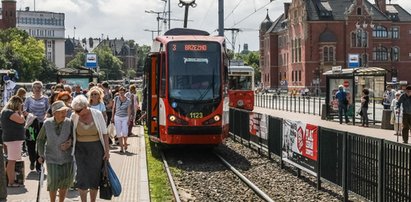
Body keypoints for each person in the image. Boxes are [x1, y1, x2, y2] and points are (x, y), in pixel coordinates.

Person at [71, 95, 110, 202]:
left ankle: (93, 200)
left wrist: (107, 151)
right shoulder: (74, 116)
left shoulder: (97, 114)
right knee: (81, 177)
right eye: (75, 110)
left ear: (85, 106)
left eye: (79, 110)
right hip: (80, 149)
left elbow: (105, 133)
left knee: (94, 176)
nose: (77, 112)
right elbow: (70, 134)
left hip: (96, 149)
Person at [36, 101, 74, 202]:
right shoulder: (47, 123)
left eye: (65, 111)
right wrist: (41, 154)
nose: (64, 114)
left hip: (67, 158)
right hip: (51, 157)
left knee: (65, 182)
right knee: (53, 182)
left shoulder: (69, 122)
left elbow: (75, 138)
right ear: (54, 113)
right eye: (61, 112)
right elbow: (40, 139)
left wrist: (69, 143)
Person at [24, 81, 50, 172]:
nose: (37, 89)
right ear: (32, 89)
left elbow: (48, 110)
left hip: (42, 124)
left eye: (39, 87)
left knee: (41, 144)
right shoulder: (28, 99)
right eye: (35, 87)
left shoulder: (45, 99)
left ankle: (39, 165)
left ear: (42, 88)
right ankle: (32, 160)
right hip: (32, 124)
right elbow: (24, 111)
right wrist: (30, 115)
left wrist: (46, 116)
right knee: (31, 144)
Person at [1, 96, 25, 187]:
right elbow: (21, 120)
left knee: (11, 160)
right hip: (13, 139)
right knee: (11, 161)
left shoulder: (6, 112)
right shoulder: (9, 112)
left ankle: (10, 181)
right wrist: (21, 113)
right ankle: (11, 182)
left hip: (11, 139)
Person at [111, 87, 132, 153]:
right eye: (120, 92)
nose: (121, 93)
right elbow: (113, 108)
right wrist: (112, 117)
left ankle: (125, 142)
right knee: (118, 133)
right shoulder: (116, 98)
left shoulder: (128, 100)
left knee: (125, 132)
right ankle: (121, 147)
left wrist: (129, 119)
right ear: (118, 92)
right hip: (117, 117)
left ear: (125, 92)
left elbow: (129, 110)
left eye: (123, 92)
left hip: (125, 117)